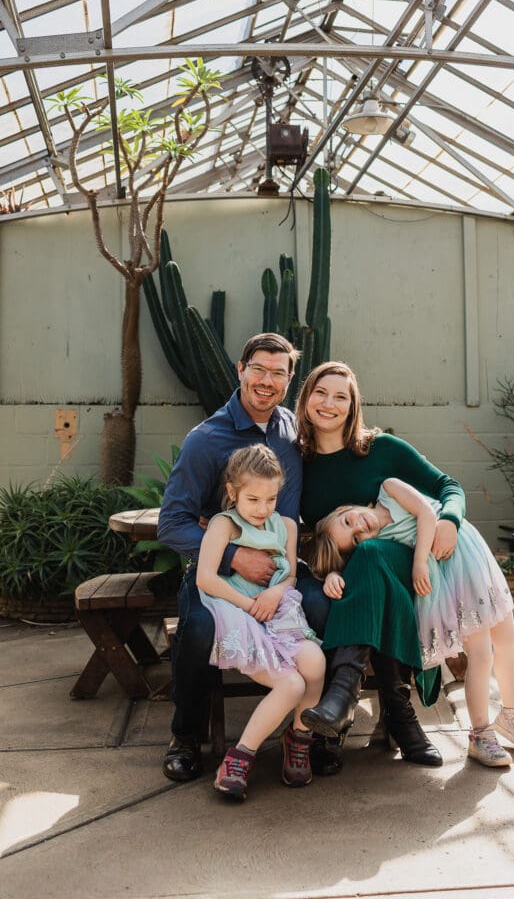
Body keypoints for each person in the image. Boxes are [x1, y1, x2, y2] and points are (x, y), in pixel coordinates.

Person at [157, 332, 325, 782]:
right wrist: (235, 556)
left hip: (282, 567)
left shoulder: (291, 429)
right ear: (240, 370)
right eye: (259, 369)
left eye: (279, 373)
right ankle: (187, 736)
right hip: (221, 567)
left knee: (326, 607)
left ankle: (310, 732)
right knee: (197, 628)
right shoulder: (205, 439)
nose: (267, 381)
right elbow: (171, 523)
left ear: (290, 380)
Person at [294, 361, 468, 768]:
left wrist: (449, 520)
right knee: (365, 575)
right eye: (321, 393)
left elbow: (448, 487)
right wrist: (331, 570)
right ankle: (399, 717)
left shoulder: (382, 449)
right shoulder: (299, 464)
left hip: (413, 564)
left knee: (372, 557)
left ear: (353, 406)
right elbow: (315, 536)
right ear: (305, 399)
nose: (329, 403)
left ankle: (340, 702)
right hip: (359, 581)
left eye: (341, 396)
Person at [311, 477, 514, 767]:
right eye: (355, 538)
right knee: (481, 652)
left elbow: (428, 513)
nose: (359, 527)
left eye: (347, 521)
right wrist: (332, 574)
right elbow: (359, 570)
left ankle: (511, 713)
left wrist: (419, 562)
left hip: (467, 551)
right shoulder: (381, 542)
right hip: (450, 576)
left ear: (345, 508)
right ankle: (480, 734)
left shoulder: (389, 489)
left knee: (508, 637)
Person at [197, 444, 325, 799]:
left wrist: (273, 594)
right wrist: (250, 604)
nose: (262, 509)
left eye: (270, 499)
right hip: (238, 612)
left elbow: (290, 576)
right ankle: (239, 757)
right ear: (232, 492)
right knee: (292, 686)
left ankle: (299, 736)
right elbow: (206, 578)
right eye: (252, 499)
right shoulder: (225, 524)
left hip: (278, 610)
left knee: (315, 661)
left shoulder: (284, 525)